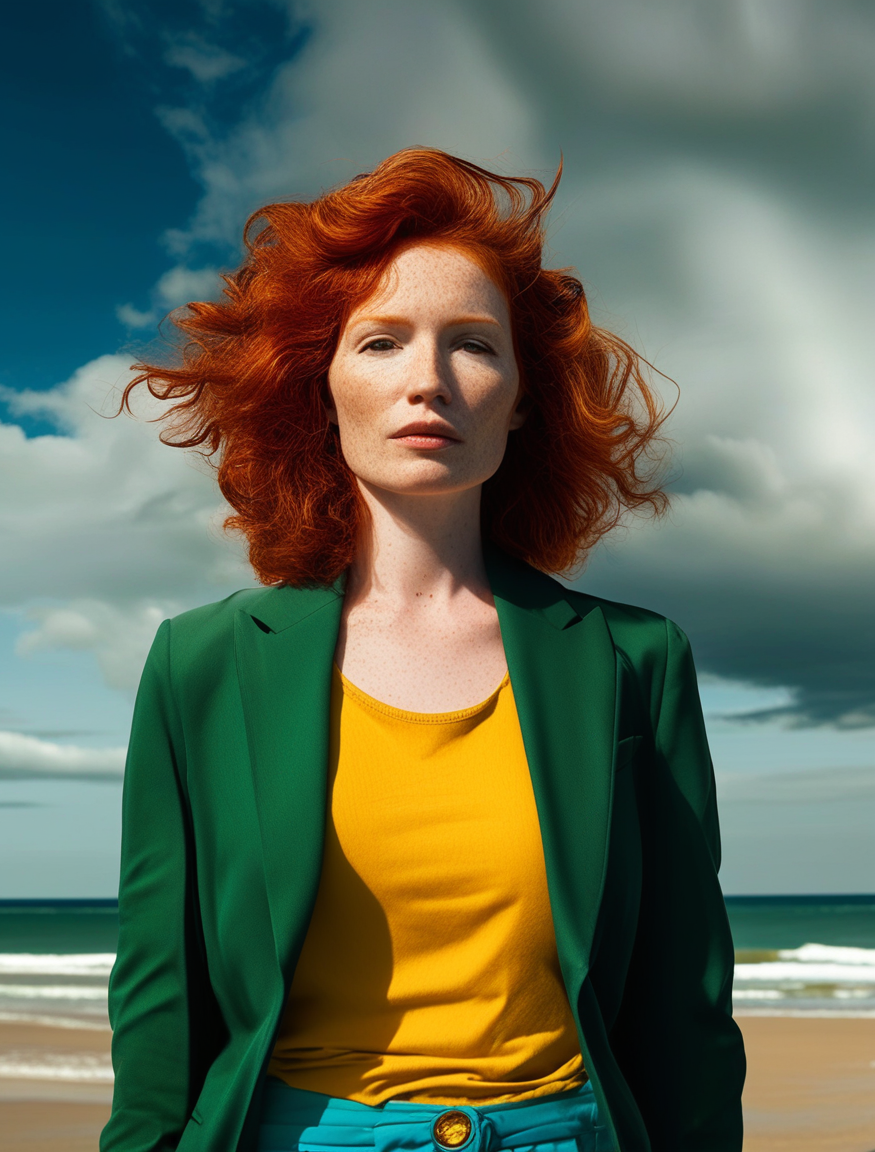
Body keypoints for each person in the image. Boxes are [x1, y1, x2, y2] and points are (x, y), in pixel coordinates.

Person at [100, 148, 745, 1152]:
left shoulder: (634, 661)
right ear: (319, 385)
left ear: (523, 396)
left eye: (474, 345)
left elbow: (683, 1008)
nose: (428, 382)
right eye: (380, 342)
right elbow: (159, 1004)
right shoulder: (202, 665)